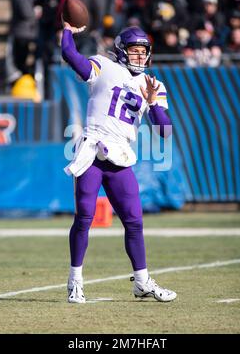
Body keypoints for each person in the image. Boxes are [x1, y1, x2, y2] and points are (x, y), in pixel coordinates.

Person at [61, 20, 177, 304]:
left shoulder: (153, 84)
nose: (140, 56)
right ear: (122, 51)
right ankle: (75, 281)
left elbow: (164, 131)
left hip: (120, 154)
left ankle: (141, 282)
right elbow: (70, 56)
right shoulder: (103, 65)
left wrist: (151, 104)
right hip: (92, 149)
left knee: (134, 221)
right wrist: (67, 30)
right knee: (85, 217)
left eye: (143, 51)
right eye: (135, 50)